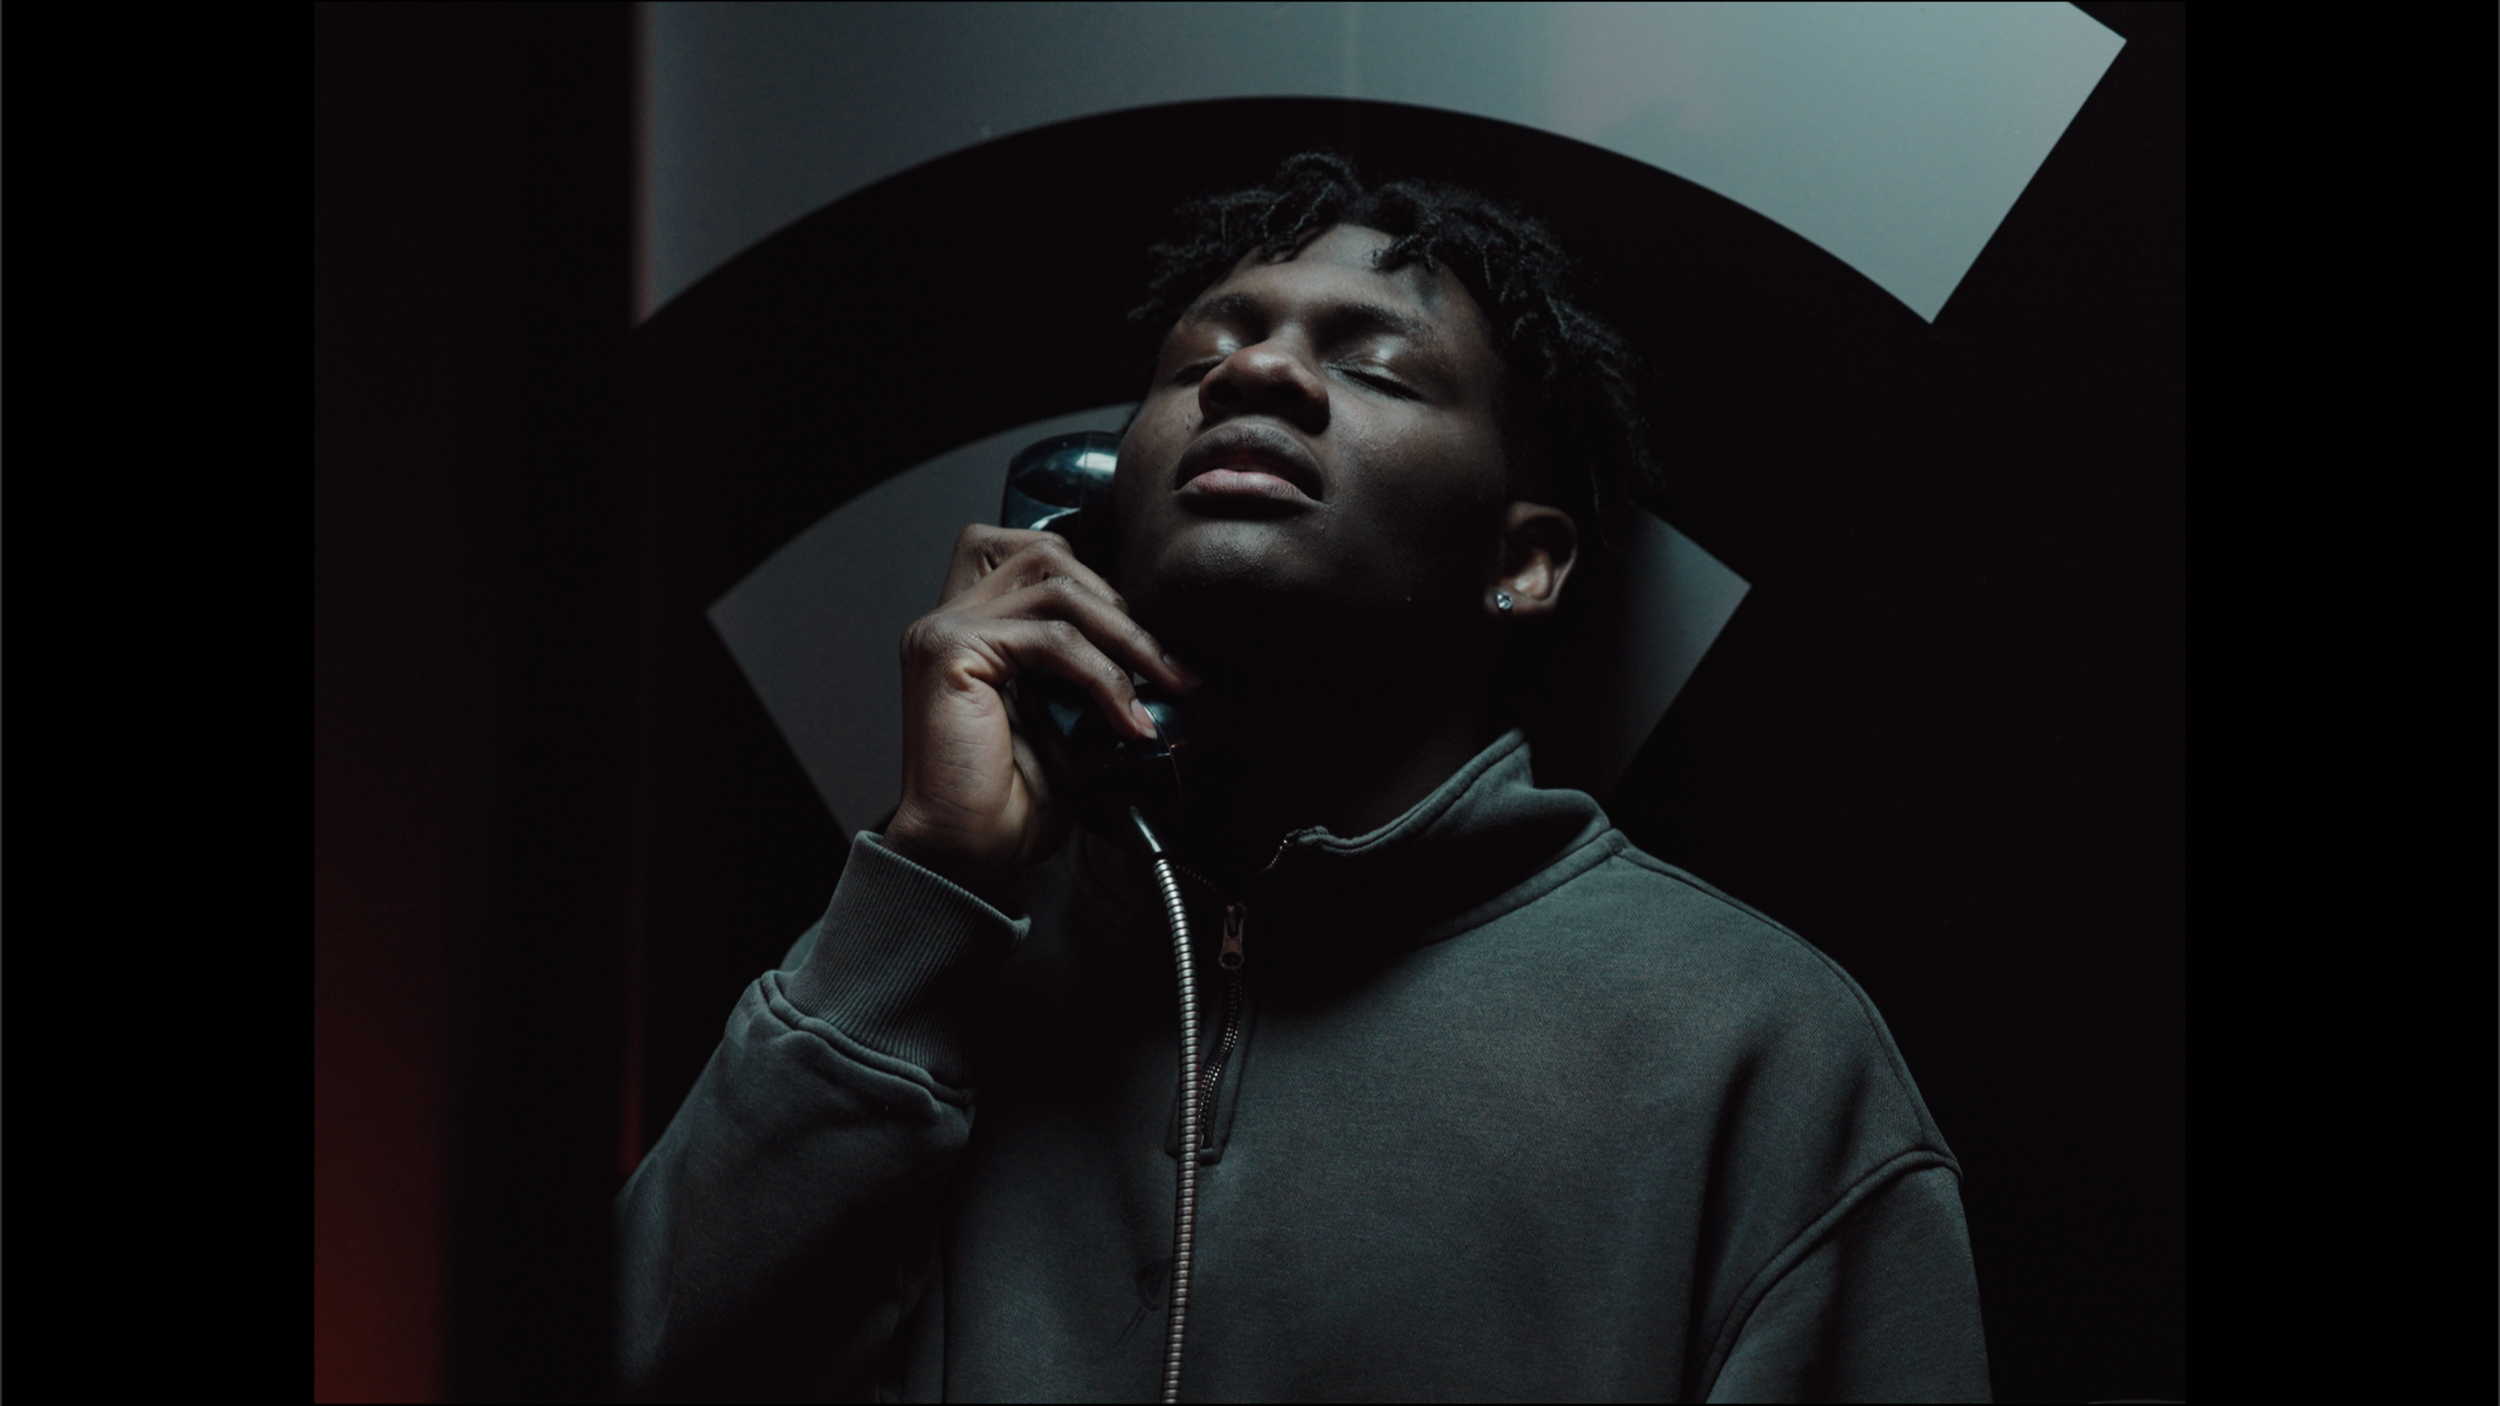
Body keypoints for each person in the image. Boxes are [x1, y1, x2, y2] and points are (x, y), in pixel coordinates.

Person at [618, 153, 1990, 1403]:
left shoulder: (1751, 1044)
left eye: (1379, 366)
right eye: (1200, 355)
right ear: (1088, 505)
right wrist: (924, 888)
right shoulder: (932, 992)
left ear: (1523, 560)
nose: (1253, 374)